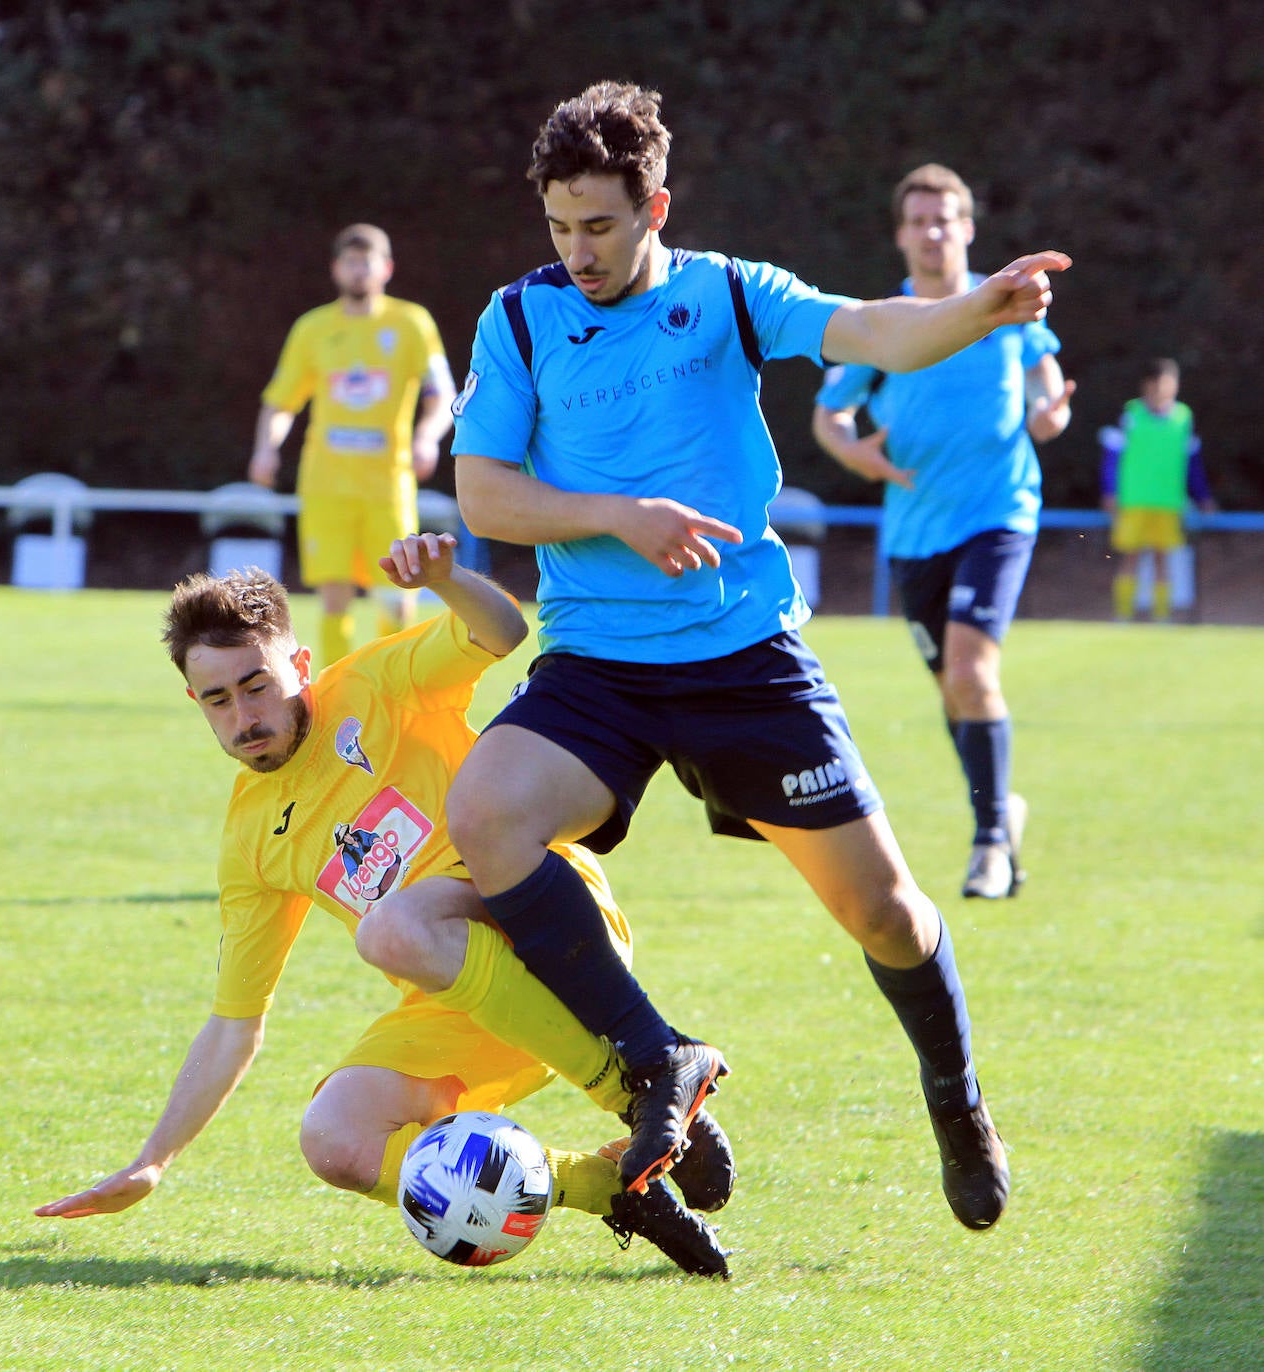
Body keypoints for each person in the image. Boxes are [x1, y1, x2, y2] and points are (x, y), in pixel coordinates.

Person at [447, 82, 1071, 1231]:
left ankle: (959, 1098)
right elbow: (483, 490)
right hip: (600, 667)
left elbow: (873, 327)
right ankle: (658, 1058)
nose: (577, 251)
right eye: (558, 227)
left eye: (601, 225)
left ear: (656, 208)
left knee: (885, 914)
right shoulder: (519, 319)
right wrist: (620, 515)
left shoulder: (729, 293)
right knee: (484, 813)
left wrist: (981, 309)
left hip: (747, 661)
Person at [34, 538, 731, 1279]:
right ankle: (614, 1190)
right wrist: (153, 1162)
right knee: (333, 1137)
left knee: (392, 927)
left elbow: (501, 631)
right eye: (218, 699)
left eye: (256, 685)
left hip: (557, 924)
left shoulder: (374, 685)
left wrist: (445, 579)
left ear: (299, 666)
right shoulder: (251, 843)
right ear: (195, 703)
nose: (244, 716)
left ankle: (639, 1089)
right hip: (467, 997)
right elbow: (236, 1021)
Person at [813, 163, 1075, 901]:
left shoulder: (1004, 304)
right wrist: (853, 450)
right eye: (920, 220)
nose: (933, 232)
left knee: (969, 671)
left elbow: (1047, 385)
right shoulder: (885, 321)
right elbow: (829, 417)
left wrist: (1052, 413)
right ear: (901, 235)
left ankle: (989, 839)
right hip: (913, 536)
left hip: (998, 514)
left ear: (968, 228)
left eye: (946, 218)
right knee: (953, 690)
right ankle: (1001, 816)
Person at [248, 223, 458, 667]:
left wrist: (427, 437)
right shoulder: (313, 328)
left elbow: (442, 394)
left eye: (368, 262)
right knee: (334, 598)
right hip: (327, 486)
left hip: (388, 485)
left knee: (398, 597)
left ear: (386, 269)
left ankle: (391, 682)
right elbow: (281, 402)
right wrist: (266, 448)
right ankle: (338, 687)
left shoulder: (412, 323)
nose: (359, 271)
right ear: (336, 269)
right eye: (350, 262)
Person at [1100, 357, 1213, 622]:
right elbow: (1112, 458)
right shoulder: (1131, 415)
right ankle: (1123, 615)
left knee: (1164, 559)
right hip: (1134, 501)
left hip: (1168, 501)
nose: (1161, 390)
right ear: (1146, 385)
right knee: (1130, 556)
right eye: (1156, 384)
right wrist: (1110, 491)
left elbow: (1192, 463)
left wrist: (1203, 496)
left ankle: (1162, 616)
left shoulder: (1183, 418)